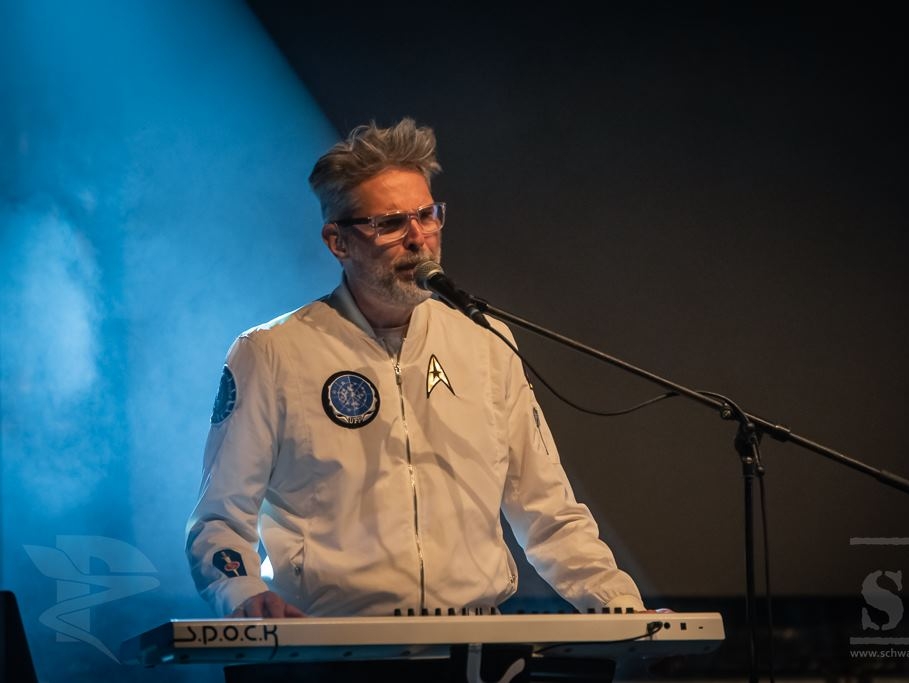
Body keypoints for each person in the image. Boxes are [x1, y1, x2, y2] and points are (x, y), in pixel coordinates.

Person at [185, 117, 647, 619]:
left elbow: (549, 512)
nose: (418, 238)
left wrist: (619, 605)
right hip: (331, 642)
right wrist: (242, 594)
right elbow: (220, 518)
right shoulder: (271, 352)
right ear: (338, 242)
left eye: (427, 215)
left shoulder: (486, 343)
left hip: (474, 643)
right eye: (389, 223)